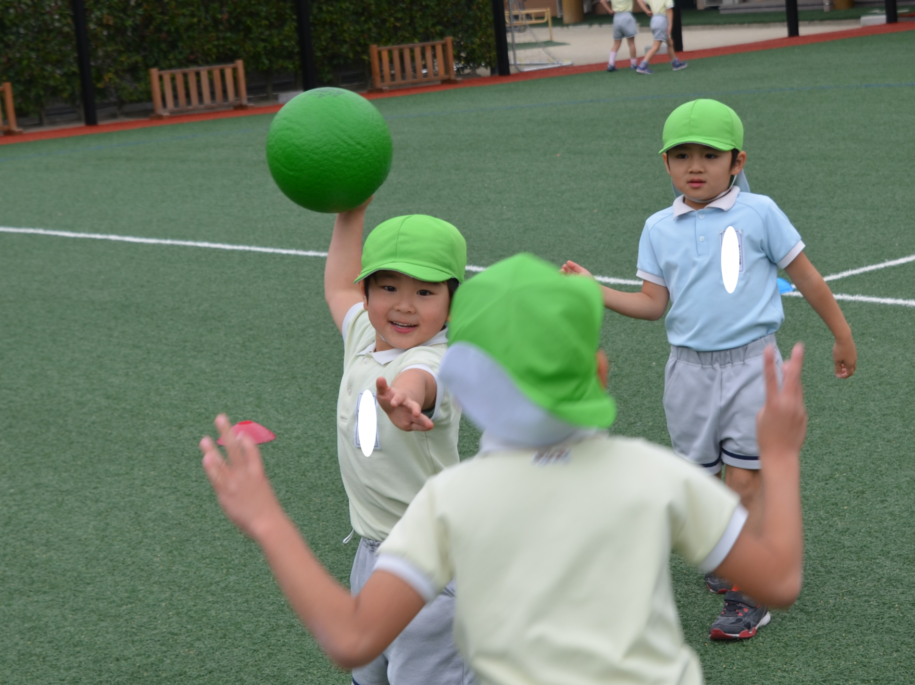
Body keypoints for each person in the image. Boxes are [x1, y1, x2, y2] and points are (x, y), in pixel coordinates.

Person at [200, 253, 808, 685]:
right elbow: (777, 581)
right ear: (598, 372)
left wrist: (268, 521)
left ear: (463, 383)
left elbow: (352, 639)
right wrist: (777, 458)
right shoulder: (655, 474)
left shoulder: (450, 502)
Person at [563, 98, 856, 640]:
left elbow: (809, 278)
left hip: (753, 366)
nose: (695, 166)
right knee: (702, 484)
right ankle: (731, 553)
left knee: (746, 480)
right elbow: (654, 304)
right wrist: (594, 289)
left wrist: (841, 334)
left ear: (737, 161)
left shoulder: (760, 212)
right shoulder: (657, 227)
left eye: (709, 155)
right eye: (681, 155)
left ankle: (753, 593)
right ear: (666, 164)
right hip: (687, 373)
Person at [320, 199, 474, 685]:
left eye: (426, 292)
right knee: (367, 672)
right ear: (367, 293)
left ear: (453, 303)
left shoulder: (440, 359)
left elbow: (420, 380)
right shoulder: (364, 333)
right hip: (371, 551)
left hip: (430, 567)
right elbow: (337, 284)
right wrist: (350, 210)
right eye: (388, 287)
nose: (405, 305)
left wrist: (405, 398)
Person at [635, 0, 687, 74]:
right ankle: (642, 66)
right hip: (662, 21)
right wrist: (670, 26)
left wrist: (646, 11)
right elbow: (669, 11)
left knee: (669, 42)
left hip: (654, 20)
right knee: (656, 46)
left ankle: (675, 63)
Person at [601, 0, 652, 72]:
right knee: (631, 42)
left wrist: (609, 10)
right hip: (627, 16)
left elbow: (602, 1)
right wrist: (647, 10)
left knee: (616, 43)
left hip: (616, 17)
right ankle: (633, 64)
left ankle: (611, 64)